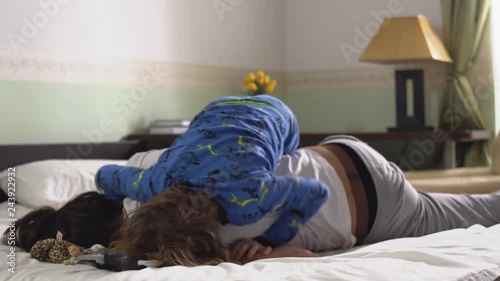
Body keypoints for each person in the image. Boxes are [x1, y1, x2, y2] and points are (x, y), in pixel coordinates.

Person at [3, 136, 500, 266]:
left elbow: (301, 259)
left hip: (376, 210)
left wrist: (266, 251)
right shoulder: (147, 165)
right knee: (476, 206)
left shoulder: (170, 242)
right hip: (338, 153)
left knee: (484, 209)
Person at [95, 95, 330, 248]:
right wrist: (121, 201)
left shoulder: (248, 202)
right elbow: (103, 175)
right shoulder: (153, 184)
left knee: (287, 155)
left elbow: (318, 193)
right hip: (219, 106)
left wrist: (268, 241)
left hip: (278, 115)